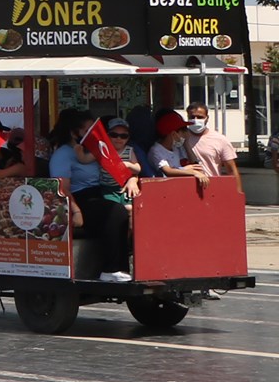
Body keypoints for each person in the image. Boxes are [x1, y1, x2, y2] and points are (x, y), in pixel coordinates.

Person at [49, 109, 131, 280]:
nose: (91, 134)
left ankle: (127, 266)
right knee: (115, 212)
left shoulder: (90, 152)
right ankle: (111, 268)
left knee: (130, 211)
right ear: (74, 133)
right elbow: (62, 188)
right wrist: (76, 211)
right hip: (78, 199)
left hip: (99, 194)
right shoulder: (63, 154)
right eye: (87, 131)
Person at [145, 112, 210, 182]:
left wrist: (186, 143)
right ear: (173, 134)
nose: (186, 134)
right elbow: (168, 171)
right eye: (183, 131)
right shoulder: (156, 150)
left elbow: (195, 164)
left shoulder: (177, 147)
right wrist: (189, 171)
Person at [181, 103, 239, 180]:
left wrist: (237, 191)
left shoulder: (220, 140)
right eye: (192, 117)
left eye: (200, 117)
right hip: (184, 186)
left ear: (207, 118)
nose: (196, 120)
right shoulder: (180, 138)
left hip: (212, 186)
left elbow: (231, 170)